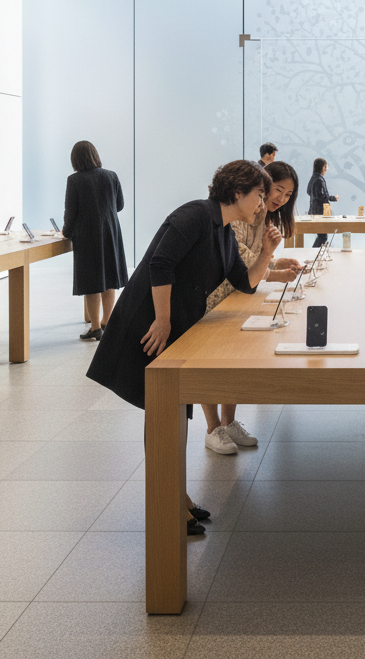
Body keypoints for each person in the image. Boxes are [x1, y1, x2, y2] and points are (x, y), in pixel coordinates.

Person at [87, 160, 282, 535]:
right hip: (149, 324)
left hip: (173, 326)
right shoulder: (195, 214)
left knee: (172, 412)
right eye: (259, 195)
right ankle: (168, 504)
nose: (262, 203)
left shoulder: (223, 231)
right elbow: (161, 264)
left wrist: (267, 253)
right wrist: (162, 320)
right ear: (237, 192)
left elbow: (244, 283)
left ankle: (178, 497)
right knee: (162, 412)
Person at [202, 161, 303, 453]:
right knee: (208, 361)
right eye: (277, 190)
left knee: (231, 359)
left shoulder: (265, 215)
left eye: (288, 194)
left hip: (240, 290)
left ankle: (228, 422)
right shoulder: (240, 211)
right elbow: (240, 254)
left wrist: (275, 262)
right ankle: (213, 428)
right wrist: (274, 269)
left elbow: (255, 256)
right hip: (216, 292)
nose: (281, 198)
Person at [62, 140, 128, 342]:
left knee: (91, 281)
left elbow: (70, 212)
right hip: (110, 233)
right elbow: (119, 205)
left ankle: (95, 327)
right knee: (109, 278)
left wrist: (66, 231)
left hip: (87, 236)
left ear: (75, 159)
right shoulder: (111, 176)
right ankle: (107, 322)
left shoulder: (74, 180)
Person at [306, 157, 338, 248]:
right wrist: (333, 198)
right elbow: (321, 196)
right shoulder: (319, 179)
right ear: (323, 167)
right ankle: (313, 253)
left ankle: (314, 252)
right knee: (323, 236)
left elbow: (308, 191)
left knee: (322, 236)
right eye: (326, 167)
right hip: (320, 212)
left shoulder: (314, 178)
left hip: (314, 211)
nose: (326, 169)